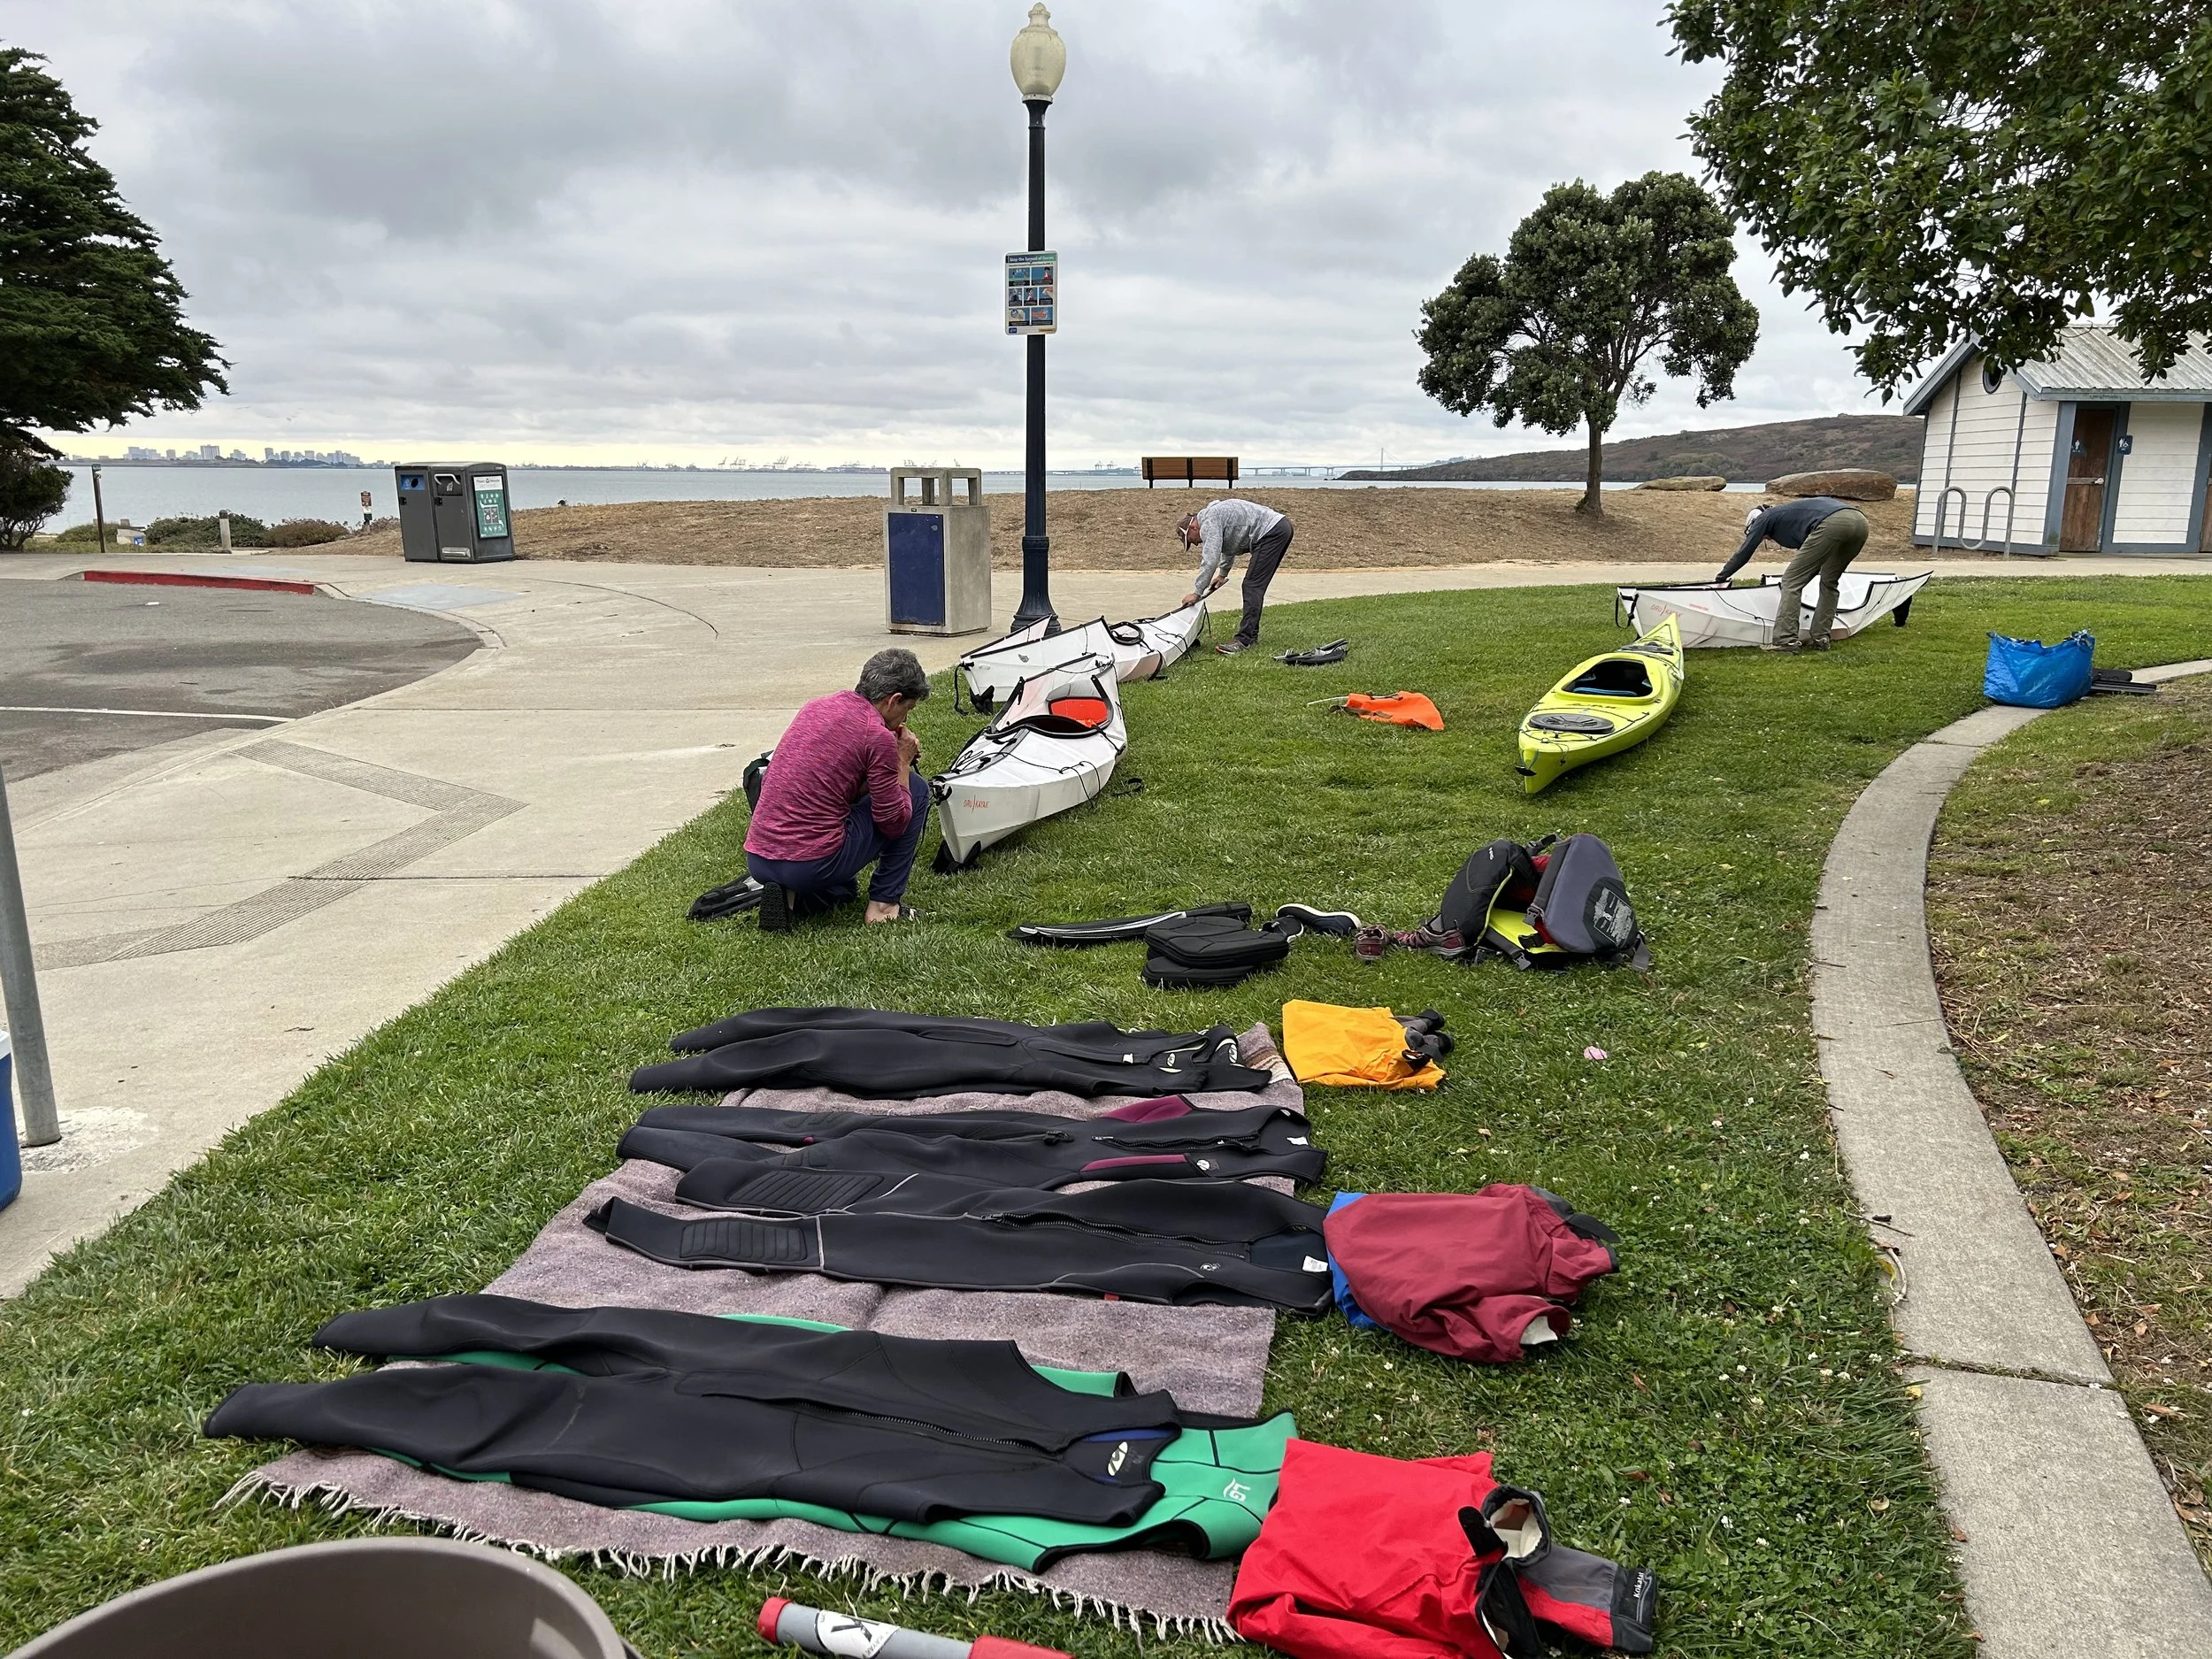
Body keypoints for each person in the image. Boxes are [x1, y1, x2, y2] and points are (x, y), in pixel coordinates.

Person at [742, 649, 932, 930]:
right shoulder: (876, 735)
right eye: (908, 709)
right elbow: (893, 823)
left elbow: (837, 785)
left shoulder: (816, 707)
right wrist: (901, 762)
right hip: (811, 863)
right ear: (894, 700)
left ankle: (790, 896)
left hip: (759, 858)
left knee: (843, 892)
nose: (904, 719)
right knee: (915, 789)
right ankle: (884, 907)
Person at [1717, 496, 1870, 653]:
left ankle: (1786, 641)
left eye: (1762, 536)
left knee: (1791, 581)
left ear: (1754, 522)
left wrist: (1721, 577)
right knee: (1829, 581)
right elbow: (1813, 558)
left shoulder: (1765, 517)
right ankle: (1821, 637)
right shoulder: (1788, 517)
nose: (1767, 539)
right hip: (1860, 521)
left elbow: (1745, 552)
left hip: (1833, 523)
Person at [1177, 498, 1295, 656]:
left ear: (1192, 526)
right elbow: (1228, 547)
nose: (1197, 544)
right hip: (1278, 528)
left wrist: (1197, 592)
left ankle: (1244, 640)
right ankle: (1251, 636)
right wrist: (1222, 574)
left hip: (1271, 532)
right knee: (1254, 586)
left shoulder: (1209, 521)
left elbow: (1210, 560)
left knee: (1252, 586)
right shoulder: (1214, 516)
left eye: (1192, 540)